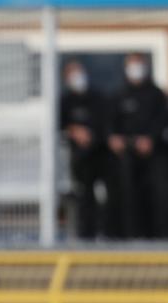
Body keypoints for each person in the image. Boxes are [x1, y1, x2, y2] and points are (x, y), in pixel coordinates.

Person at [105, 53, 168, 239]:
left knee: (158, 197)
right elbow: (110, 124)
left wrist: (151, 139)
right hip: (126, 156)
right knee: (128, 197)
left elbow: (163, 120)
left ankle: (159, 237)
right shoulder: (119, 94)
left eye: (139, 65)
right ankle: (130, 236)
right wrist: (114, 138)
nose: (136, 70)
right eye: (132, 65)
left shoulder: (156, 94)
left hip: (154, 154)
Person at [60, 60, 109, 239]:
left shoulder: (98, 98)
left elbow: (105, 124)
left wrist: (93, 136)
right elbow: (60, 125)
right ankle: (84, 234)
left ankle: (105, 232)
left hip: (100, 154)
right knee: (83, 196)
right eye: (73, 74)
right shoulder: (65, 102)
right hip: (79, 159)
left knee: (105, 195)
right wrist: (74, 131)